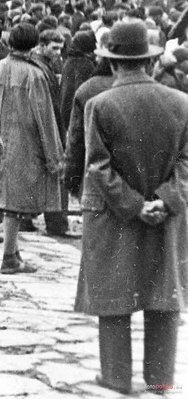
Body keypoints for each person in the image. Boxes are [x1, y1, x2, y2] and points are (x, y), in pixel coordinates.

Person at [75, 20, 187, 395]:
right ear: (150, 61)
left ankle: (117, 376)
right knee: (163, 295)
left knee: (114, 297)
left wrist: (134, 205)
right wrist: (164, 200)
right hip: (167, 217)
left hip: (114, 216)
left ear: (112, 63)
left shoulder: (98, 105)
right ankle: (160, 378)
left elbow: (98, 166)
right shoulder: (182, 103)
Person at [0, 23, 65, 274]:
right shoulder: (35, 74)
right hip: (26, 146)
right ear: (33, 45)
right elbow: (45, 119)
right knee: (15, 204)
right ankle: (9, 256)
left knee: (10, 201)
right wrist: (55, 158)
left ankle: (13, 251)